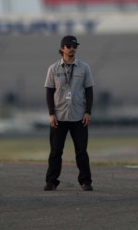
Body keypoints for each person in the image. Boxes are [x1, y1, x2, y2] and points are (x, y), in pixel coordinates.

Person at [44, 34, 95, 191]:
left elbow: (89, 91)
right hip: (59, 116)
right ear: (62, 49)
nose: (73, 49)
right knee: (55, 151)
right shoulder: (53, 69)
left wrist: (88, 112)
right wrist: (51, 114)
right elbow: (49, 92)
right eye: (69, 46)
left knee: (81, 151)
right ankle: (51, 181)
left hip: (78, 116)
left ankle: (85, 181)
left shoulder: (84, 68)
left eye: (75, 46)